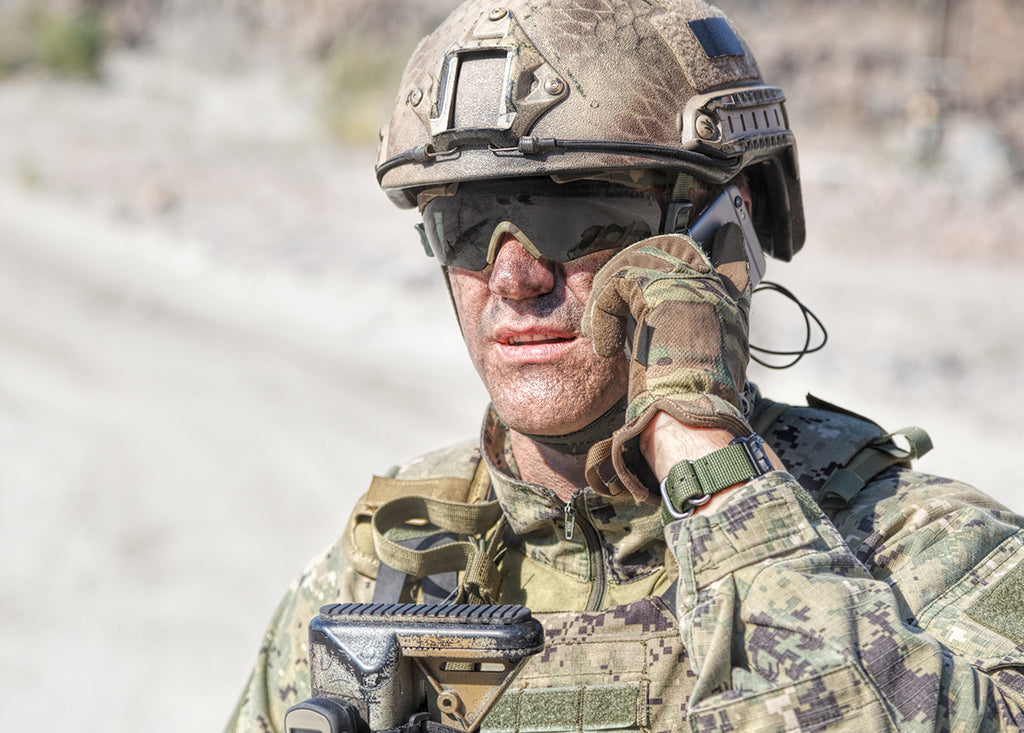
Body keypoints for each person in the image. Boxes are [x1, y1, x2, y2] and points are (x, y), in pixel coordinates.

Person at [226, 0, 1024, 730]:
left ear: (720, 239)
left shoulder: (926, 552)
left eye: (572, 213)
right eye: (465, 224)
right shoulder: (379, 569)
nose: (512, 278)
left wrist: (702, 449)